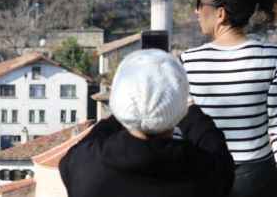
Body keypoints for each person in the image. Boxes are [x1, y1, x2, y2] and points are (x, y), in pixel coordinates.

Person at [181, 0, 277, 197]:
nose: (197, 11)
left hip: (206, 177)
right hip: (259, 181)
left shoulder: (189, 62)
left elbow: (182, 131)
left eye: (200, 4)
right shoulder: (274, 57)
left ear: (220, 13)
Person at [60, 49, 235, 197]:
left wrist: (131, 108)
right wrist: (186, 107)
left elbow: (78, 150)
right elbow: (213, 144)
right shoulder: (207, 171)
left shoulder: (85, 167)